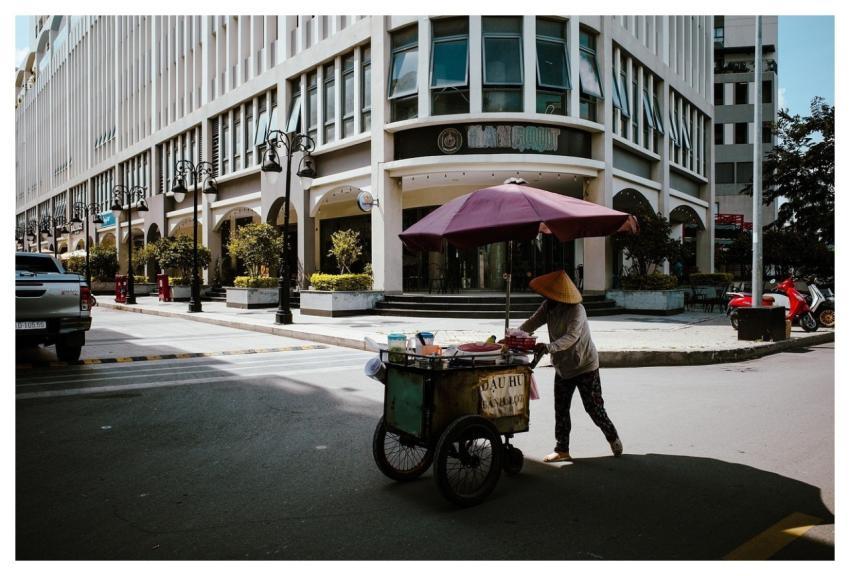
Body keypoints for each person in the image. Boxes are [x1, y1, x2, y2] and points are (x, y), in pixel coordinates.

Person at [519, 270, 623, 463]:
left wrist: (549, 347)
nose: (545, 298)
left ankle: (612, 437)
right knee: (561, 408)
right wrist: (513, 336)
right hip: (563, 367)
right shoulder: (547, 307)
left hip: (585, 365)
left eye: (548, 295)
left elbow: (571, 337)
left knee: (593, 407)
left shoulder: (577, 310)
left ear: (558, 296)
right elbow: (532, 323)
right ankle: (562, 449)